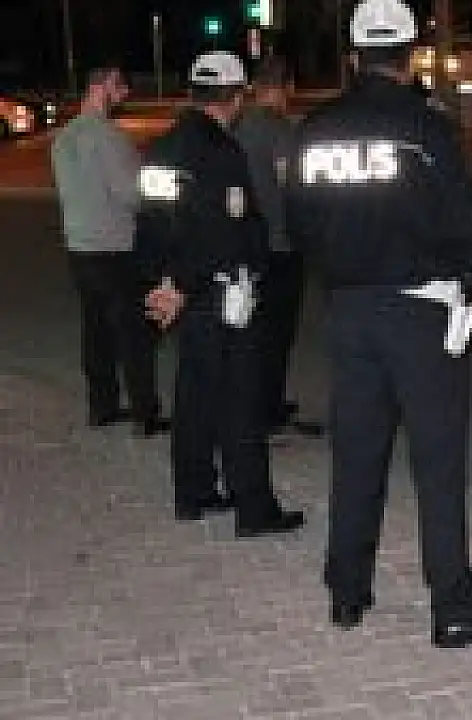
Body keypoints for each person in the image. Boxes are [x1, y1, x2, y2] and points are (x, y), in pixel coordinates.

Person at [285, 0, 472, 647]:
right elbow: (467, 226)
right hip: (421, 315)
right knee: (437, 463)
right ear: (410, 53)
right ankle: (453, 606)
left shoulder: (316, 130)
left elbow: (298, 225)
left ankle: (346, 591)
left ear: (354, 55)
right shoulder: (427, 129)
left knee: (356, 455)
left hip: (348, 312)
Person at [135, 51, 305, 537]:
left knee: (194, 393)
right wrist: (183, 283)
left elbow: (151, 223)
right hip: (217, 289)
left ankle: (193, 491)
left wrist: (159, 284)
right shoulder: (221, 152)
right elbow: (219, 231)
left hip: (182, 291)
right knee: (241, 401)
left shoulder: (162, 147)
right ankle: (254, 508)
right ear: (234, 97)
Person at [50, 66, 167, 436]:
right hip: (115, 247)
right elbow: (131, 194)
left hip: (79, 246)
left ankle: (101, 406)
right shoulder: (110, 137)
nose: (124, 94)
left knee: (95, 330)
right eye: (120, 87)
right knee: (134, 333)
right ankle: (145, 414)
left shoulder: (63, 138)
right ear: (101, 87)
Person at [231, 59, 316, 435]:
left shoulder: (238, 127)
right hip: (280, 245)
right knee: (278, 333)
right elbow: (290, 185)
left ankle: (250, 403)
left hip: (246, 243)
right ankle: (268, 408)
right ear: (286, 88)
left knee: (252, 328)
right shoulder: (281, 130)